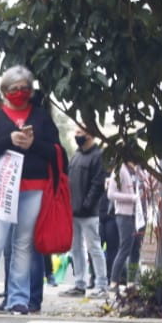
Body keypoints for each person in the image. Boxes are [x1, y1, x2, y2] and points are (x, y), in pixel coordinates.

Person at [0, 66, 63, 315]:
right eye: (14, 88)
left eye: (25, 88)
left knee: (23, 245)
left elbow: (57, 152)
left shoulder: (41, 117)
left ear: (31, 90)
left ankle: (18, 298)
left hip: (33, 188)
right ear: (5, 91)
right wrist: (9, 141)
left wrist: (33, 144)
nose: (20, 92)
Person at [58, 128, 108, 300]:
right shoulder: (77, 155)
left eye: (81, 131)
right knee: (76, 248)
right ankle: (80, 283)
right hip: (73, 210)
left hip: (88, 212)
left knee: (94, 248)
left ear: (90, 134)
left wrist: (87, 205)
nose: (77, 134)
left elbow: (98, 184)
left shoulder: (98, 156)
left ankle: (102, 284)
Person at [107, 161, 146, 290]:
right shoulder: (119, 170)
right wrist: (132, 198)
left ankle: (131, 282)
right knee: (125, 248)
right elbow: (111, 194)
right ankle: (113, 281)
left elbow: (145, 186)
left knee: (136, 250)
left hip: (139, 216)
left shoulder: (138, 170)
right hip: (124, 215)